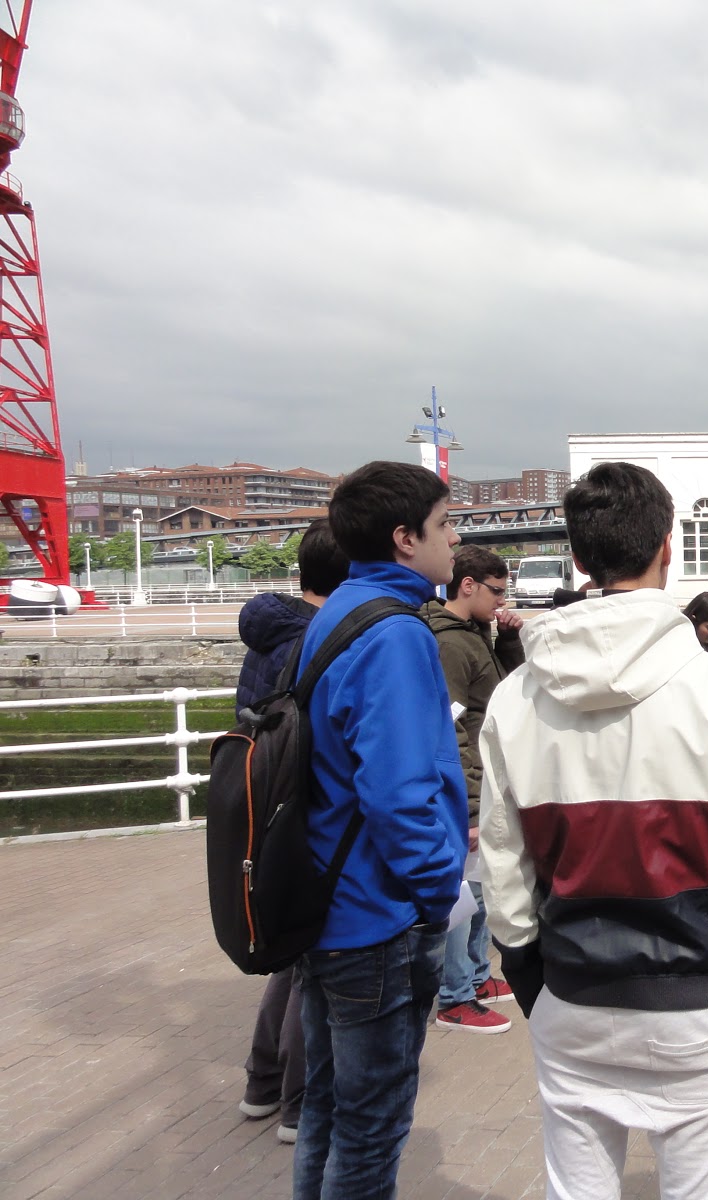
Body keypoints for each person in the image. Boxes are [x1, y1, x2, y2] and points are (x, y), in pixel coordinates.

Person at [478, 461, 708, 1200]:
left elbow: (502, 860)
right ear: (667, 546)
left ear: (578, 557)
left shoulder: (517, 695)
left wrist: (529, 974)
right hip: (706, 1003)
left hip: (574, 997)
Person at [292, 461, 469, 1199]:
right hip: (378, 916)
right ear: (405, 538)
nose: (454, 540)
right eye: (444, 524)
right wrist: (438, 893)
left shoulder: (340, 609)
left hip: (326, 901)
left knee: (328, 1109)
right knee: (371, 1129)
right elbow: (398, 796)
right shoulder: (395, 634)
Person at [235, 519, 348, 1147]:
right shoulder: (317, 640)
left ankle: (262, 1081)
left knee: (293, 955)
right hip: (302, 814)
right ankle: (301, 1103)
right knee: (313, 963)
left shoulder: (269, 632)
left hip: (261, 811)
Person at [424, 544, 525, 1036]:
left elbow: (505, 692)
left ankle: (477, 976)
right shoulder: (449, 642)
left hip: (485, 781)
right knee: (464, 896)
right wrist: (466, 805)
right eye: (497, 591)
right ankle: (455, 993)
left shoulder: (473, 634)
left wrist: (507, 641)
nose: (503, 601)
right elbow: (451, 727)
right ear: (468, 585)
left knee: (483, 890)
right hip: (470, 787)